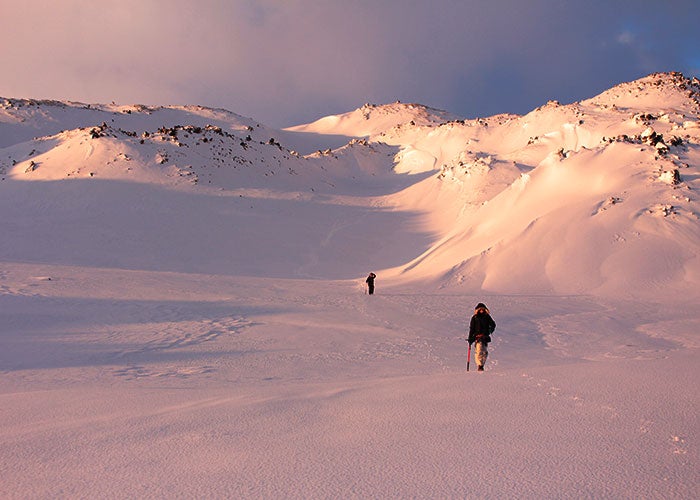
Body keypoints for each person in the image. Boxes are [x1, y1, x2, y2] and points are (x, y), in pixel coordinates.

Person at [468, 302, 496, 371]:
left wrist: (490, 331)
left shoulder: (487, 317)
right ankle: (479, 365)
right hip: (477, 337)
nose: (481, 310)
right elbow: (472, 328)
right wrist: (470, 338)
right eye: (480, 309)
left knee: (484, 352)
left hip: (485, 337)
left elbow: (493, 324)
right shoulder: (474, 318)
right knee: (479, 350)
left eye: (483, 309)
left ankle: (482, 365)